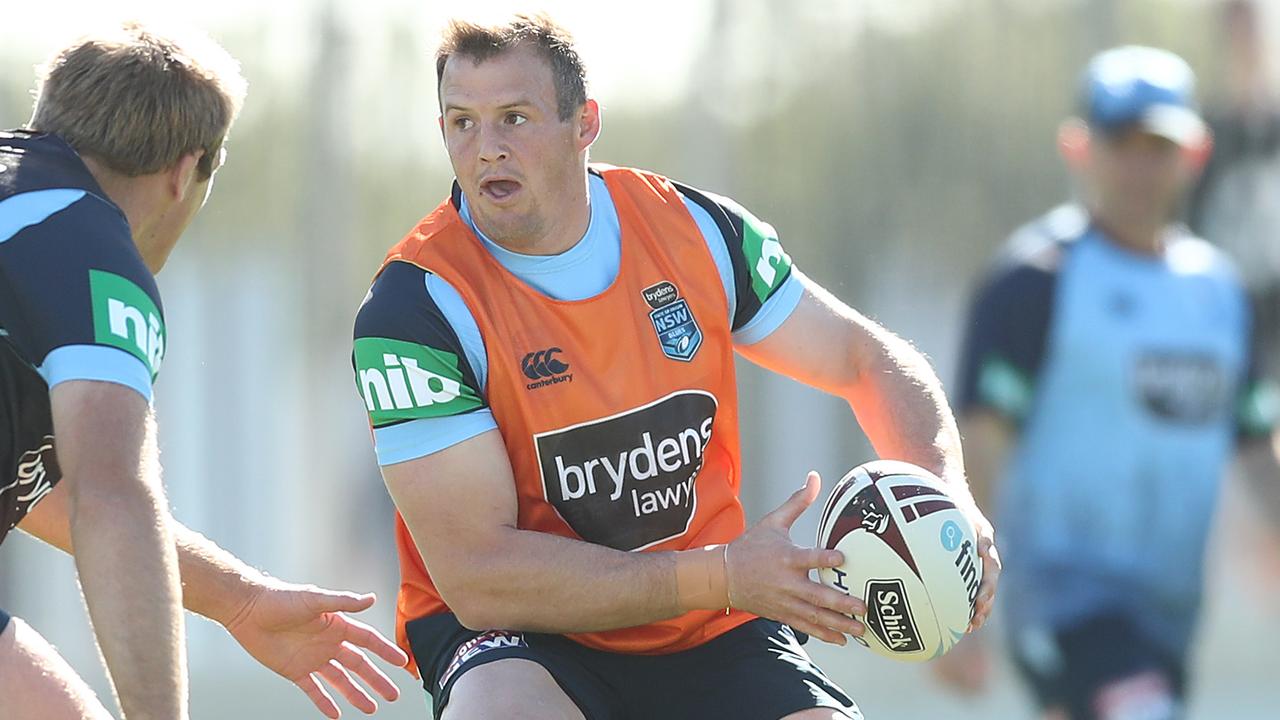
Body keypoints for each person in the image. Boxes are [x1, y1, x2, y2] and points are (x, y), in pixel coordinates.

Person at [351, 13, 999, 720]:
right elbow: (482, 578)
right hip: (523, 637)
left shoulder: (695, 230)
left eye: (514, 117)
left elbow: (864, 358)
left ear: (584, 122)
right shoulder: (415, 308)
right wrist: (722, 573)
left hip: (710, 621)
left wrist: (946, 495)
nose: (486, 150)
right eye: (461, 123)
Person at [0, 22, 408, 720]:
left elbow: (40, 488)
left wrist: (241, 601)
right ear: (186, 172)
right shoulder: (88, 250)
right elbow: (111, 496)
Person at [941, 46, 1280, 720]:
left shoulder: (1220, 294)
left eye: (1157, 146)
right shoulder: (1035, 282)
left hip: (1170, 615)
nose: (1139, 166)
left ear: (1196, 153)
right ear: (1079, 148)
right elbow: (977, 452)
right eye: (1120, 143)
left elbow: (1256, 447)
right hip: (1064, 600)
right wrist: (955, 605)